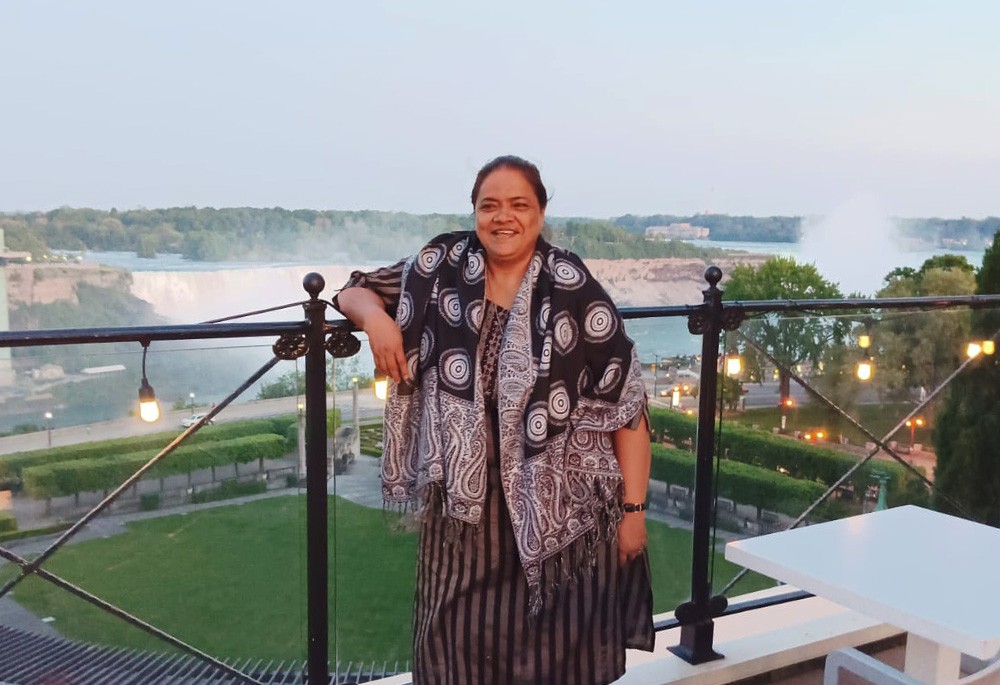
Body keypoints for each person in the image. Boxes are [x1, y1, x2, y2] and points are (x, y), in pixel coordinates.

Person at [334, 155, 653, 685]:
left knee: (559, 660)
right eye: (490, 205)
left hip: (561, 517)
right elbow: (354, 289)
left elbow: (627, 406)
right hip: (462, 515)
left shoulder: (573, 286)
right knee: (450, 653)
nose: (503, 217)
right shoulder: (441, 266)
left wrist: (633, 512)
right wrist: (377, 324)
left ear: (541, 212)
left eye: (519, 204)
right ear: (475, 212)